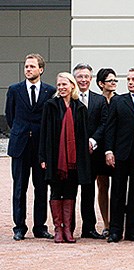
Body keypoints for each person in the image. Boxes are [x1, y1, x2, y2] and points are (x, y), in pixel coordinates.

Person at [6, 53, 55, 241]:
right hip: (20, 146)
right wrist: (21, 131)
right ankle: (19, 227)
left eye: (32, 67)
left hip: (41, 147)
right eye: (26, 67)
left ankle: (40, 227)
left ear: (41, 69)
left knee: (41, 187)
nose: (28, 70)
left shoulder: (49, 91)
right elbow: (10, 116)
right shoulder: (14, 90)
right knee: (19, 187)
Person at [39, 72, 91, 243]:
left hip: (74, 160)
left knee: (70, 192)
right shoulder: (50, 105)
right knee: (55, 192)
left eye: (64, 84)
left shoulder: (80, 108)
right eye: (59, 85)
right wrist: (43, 157)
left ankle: (68, 229)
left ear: (72, 86)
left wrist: (83, 161)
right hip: (55, 157)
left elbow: (83, 136)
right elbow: (44, 133)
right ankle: (57, 229)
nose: (61, 88)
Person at [105, 67, 134, 243]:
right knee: (117, 192)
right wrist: (109, 150)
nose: (130, 82)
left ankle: (131, 230)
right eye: (129, 79)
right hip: (121, 153)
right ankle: (115, 230)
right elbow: (110, 127)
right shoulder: (118, 101)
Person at [73, 63, 108, 240]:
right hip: (72, 152)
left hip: (92, 153)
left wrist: (92, 140)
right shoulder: (68, 99)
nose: (84, 80)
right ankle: (68, 228)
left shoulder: (99, 100)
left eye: (86, 76)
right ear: (75, 79)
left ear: (91, 79)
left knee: (89, 191)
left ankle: (89, 228)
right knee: (70, 191)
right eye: (80, 76)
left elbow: (104, 123)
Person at [95, 67, 118, 237]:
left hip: (118, 148)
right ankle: (106, 223)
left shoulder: (120, 100)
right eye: (110, 81)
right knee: (102, 186)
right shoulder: (96, 102)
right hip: (99, 149)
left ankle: (118, 222)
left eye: (115, 80)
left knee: (119, 186)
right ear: (101, 84)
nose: (113, 83)